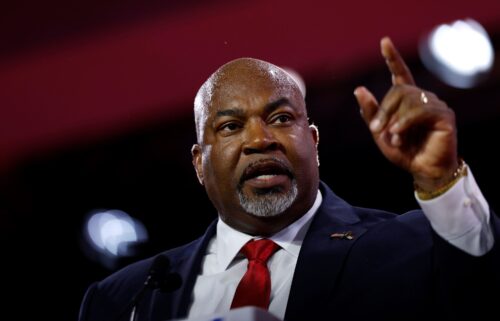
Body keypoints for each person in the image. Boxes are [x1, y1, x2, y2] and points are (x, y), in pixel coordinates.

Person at [78, 37, 499, 321]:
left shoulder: (411, 247)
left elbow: (481, 284)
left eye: (281, 119)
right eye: (230, 127)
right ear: (199, 163)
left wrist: (441, 178)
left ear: (313, 141)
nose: (260, 140)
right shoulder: (125, 298)